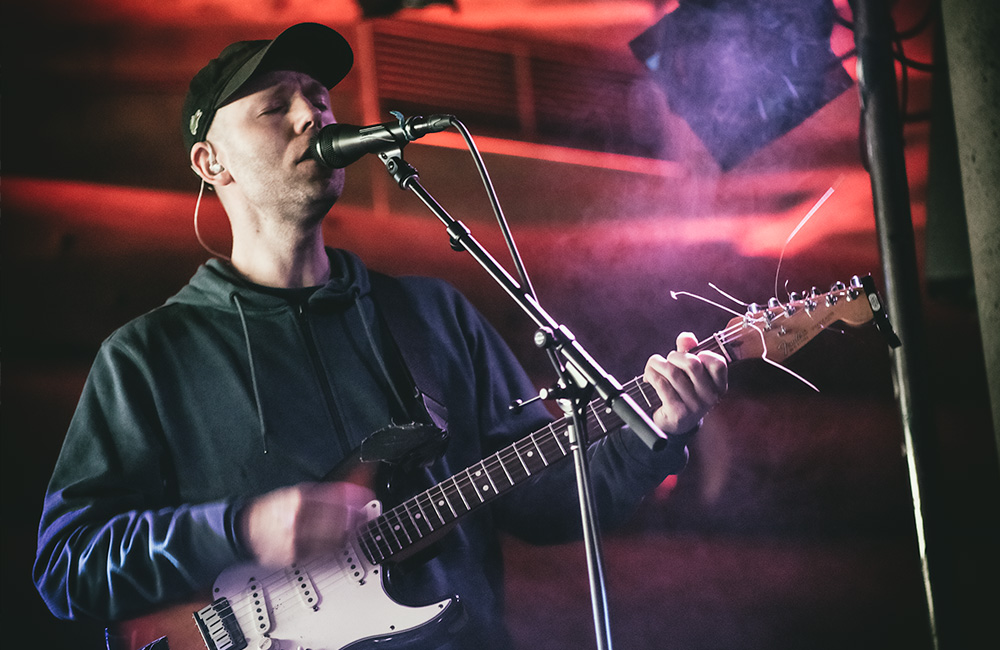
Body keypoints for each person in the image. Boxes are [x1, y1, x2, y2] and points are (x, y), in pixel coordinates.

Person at [33, 22, 728, 650]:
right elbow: (68, 565)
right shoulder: (150, 356)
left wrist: (654, 432)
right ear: (211, 163)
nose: (313, 114)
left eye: (319, 99)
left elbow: (544, 499)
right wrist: (240, 529)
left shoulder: (432, 315)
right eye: (276, 107)